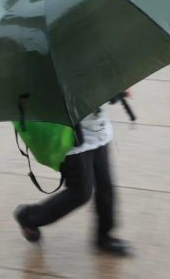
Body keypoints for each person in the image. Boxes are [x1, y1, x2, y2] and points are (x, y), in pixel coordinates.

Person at [13, 102, 132, 256]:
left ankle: (104, 237)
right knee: (80, 192)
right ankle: (29, 217)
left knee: (105, 188)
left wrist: (117, 92)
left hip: (99, 132)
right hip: (73, 140)